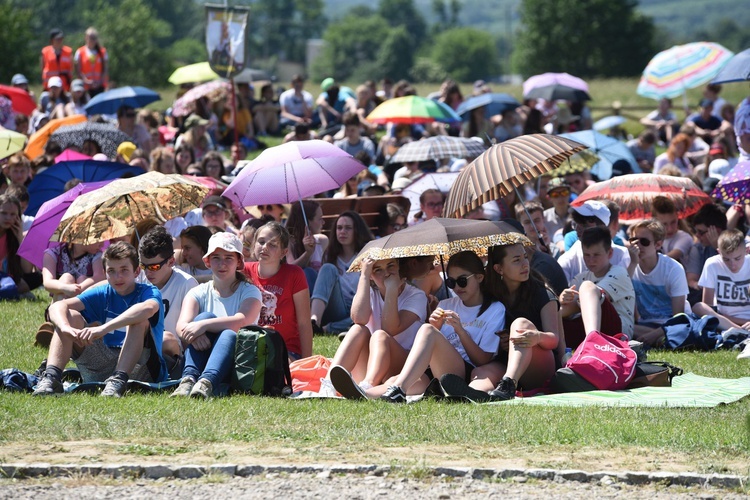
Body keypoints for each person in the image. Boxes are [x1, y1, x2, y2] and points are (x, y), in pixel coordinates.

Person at [364, 251, 504, 401]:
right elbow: (431, 344)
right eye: (451, 282)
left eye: (462, 281)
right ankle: (361, 393)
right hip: (432, 369)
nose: (456, 287)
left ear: (479, 277)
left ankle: (399, 390)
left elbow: (482, 360)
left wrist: (460, 332)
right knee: (396, 381)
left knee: (427, 331)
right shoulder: (445, 304)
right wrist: (435, 326)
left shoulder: (495, 309)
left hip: (463, 368)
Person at [33, 242, 168, 397]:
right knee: (71, 316)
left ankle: (118, 380)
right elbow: (56, 307)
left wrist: (104, 328)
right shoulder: (102, 292)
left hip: (142, 370)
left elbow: (148, 309)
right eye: (112, 271)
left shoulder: (149, 291)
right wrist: (64, 327)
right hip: (101, 366)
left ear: (137, 271)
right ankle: (52, 378)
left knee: (139, 321)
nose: (118, 277)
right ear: (104, 273)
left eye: (124, 270)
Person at [441, 240, 562, 401]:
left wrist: (536, 337)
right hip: (504, 362)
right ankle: (469, 396)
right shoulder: (491, 292)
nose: (525, 264)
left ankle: (508, 384)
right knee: (480, 373)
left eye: (525, 257)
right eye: (516, 260)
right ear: (498, 268)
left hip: (539, 365)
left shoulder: (542, 293)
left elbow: (554, 339)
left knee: (520, 324)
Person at [170, 233, 261, 398]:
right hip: (200, 358)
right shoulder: (197, 292)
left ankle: (206, 382)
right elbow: (181, 327)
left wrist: (202, 326)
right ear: (207, 261)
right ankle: (188, 380)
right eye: (216, 258)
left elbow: (242, 321)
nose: (222, 264)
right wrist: (195, 334)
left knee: (226, 333)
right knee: (204, 316)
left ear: (239, 262)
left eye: (228, 258)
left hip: (238, 366)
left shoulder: (250, 291)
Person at [325, 256, 428, 397]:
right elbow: (358, 318)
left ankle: (368, 385)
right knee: (357, 329)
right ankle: (329, 384)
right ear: (372, 276)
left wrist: (391, 289)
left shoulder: (416, 295)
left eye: (390, 266)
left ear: (398, 266)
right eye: (378, 270)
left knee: (380, 335)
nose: (386, 273)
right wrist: (364, 277)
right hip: (373, 362)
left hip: (402, 367)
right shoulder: (370, 292)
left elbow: (390, 329)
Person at [242, 222, 312, 360]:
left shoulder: (294, 274)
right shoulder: (244, 271)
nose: (265, 247)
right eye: (261, 241)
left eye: (273, 244)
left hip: (287, 351)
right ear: (254, 245)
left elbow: (304, 323)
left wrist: (306, 362)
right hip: (250, 350)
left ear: (284, 252)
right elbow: (215, 279)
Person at [138, 226, 198, 377]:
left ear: (171, 261)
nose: (148, 272)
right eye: (143, 265)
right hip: (139, 347)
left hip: (173, 355)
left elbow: (189, 335)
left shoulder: (187, 284)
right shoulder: (139, 280)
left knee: (165, 339)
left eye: (154, 266)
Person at [560, 227, 635, 349]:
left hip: (617, 331)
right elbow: (566, 310)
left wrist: (566, 307)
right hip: (586, 326)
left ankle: (592, 340)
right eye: (587, 255)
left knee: (587, 287)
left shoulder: (619, 272)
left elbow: (590, 300)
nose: (591, 260)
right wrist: (562, 300)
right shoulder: (581, 277)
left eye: (596, 255)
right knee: (554, 317)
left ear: (609, 253)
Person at [310, 211, 373, 334]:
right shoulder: (330, 255)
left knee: (371, 314)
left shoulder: (368, 254)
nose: (342, 232)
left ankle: (326, 329)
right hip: (336, 307)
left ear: (357, 231)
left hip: (359, 309)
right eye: (339, 228)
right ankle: (313, 322)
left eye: (348, 228)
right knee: (328, 268)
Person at [629, 219, 690, 347]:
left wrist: (654, 334)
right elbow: (622, 294)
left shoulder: (673, 268)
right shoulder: (629, 264)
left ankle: (659, 339)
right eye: (634, 241)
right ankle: (660, 340)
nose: (637, 246)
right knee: (620, 326)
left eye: (644, 242)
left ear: (658, 245)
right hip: (645, 324)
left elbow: (678, 316)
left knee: (679, 331)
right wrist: (633, 264)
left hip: (672, 325)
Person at [558, 201, 630, 283]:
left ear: (602, 226)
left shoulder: (621, 255)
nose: (578, 229)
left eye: (585, 224)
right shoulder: (567, 259)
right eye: (576, 224)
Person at [693, 229, 750, 331]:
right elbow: (708, 306)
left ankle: (739, 332)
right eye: (726, 259)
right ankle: (741, 332)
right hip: (724, 319)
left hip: (745, 319)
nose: (733, 265)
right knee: (699, 307)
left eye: (737, 258)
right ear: (719, 252)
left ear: (746, 251)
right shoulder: (712, 264)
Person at [685, 203, 726, 304]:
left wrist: (718, 247)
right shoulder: (698, 249)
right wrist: (698, 285)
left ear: (717, 231)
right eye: (696, 231)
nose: (697, 235)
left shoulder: (738, 246)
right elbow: (691, 279)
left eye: (701, 232)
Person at [0, 194, 41, 296]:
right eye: (3, 213)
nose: (8, 217)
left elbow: (27, 270)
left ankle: (10, 292)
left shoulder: (14, 236)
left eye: (13, 214)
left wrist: (20, 238)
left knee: (37, 277)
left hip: (5, 279)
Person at [285, 200, 329, 289]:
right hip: (301, 294)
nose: (323, 222)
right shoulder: (289, 242)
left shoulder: (322, 241)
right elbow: (290, 269)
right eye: (320, 218)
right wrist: (308, 253)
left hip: (324, 294)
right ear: (308, 222)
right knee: (308, 272)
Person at [651, 195, 692, 264]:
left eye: (673, 222)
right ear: (655, 222)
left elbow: (671, 256)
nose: (670, 229)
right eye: (664, 224)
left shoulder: (685, 237)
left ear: (677, 217)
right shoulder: (651, 238)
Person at [74, 27, 108, 96]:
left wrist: (100, 81)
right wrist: (86, 81)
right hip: (85, 87)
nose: (92, 40)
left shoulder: (102, 52)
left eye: (94, 38)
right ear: (86, 38)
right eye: (90, 38)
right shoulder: (80, 52)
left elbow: (105, 69)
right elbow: (78, 70)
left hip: (100, 86)